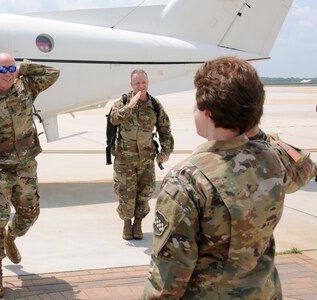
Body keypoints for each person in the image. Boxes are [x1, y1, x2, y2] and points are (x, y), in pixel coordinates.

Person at [141, 57, 317, 299]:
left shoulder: (187, 180)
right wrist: (253, 128)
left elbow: (167, 284)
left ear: (208, 113)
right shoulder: (270, 158)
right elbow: (305, 167)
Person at [0, 53, 60, 298]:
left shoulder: (26, 87)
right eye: (1, 70)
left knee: (30, 214)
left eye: (10, 69)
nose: (7, 74)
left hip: (26, 166)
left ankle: (12, 237)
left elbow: (53, 73)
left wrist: (23, 68)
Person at [109, 69, 174, 240]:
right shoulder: (122, 102)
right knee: (126, 194)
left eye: (144, 82)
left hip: (146, 159)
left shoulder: (154, 104)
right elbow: (114, 119)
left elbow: (165, 130)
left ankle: (138, 223)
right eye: (137, 83)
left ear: (148, 83)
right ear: (131, 85)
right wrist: (130, 106)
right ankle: (126, 223)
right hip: (124, 159)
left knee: (144, 194)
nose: (141, 86)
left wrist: (165, 151)